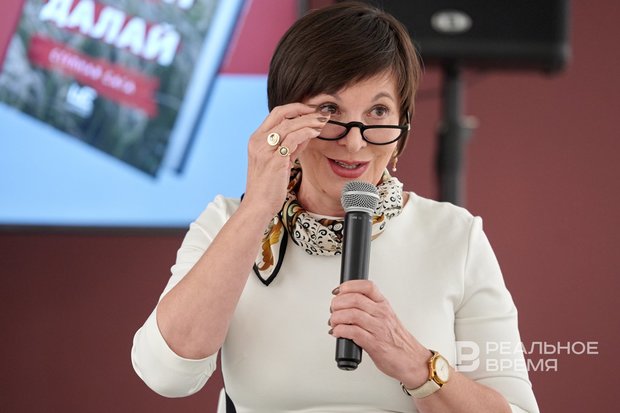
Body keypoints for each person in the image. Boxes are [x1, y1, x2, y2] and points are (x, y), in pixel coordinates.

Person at [131, 2, 539, 412]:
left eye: (378, 111)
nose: (354, 142)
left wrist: (418, 365)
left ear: (402, 129)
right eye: (329, 110)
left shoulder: (455, 236)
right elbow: (166, 375)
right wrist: (256, 209)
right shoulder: (227, 221)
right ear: (283, 119)